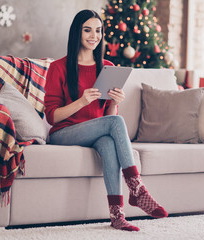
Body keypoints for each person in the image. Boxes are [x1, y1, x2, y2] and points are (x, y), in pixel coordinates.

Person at [44, 9, 168, 232]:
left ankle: (117, 215)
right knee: (116, 124)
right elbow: (51, 116)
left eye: (98, 30)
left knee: (109, 143)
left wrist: (114, 102)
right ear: (77, 33)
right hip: (63, 133)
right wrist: (81, 102)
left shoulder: (107, 67)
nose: (94, 35)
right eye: (88, 30)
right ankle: (137, 188)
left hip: (96, 132)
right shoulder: (58, 67)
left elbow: (108, 119)